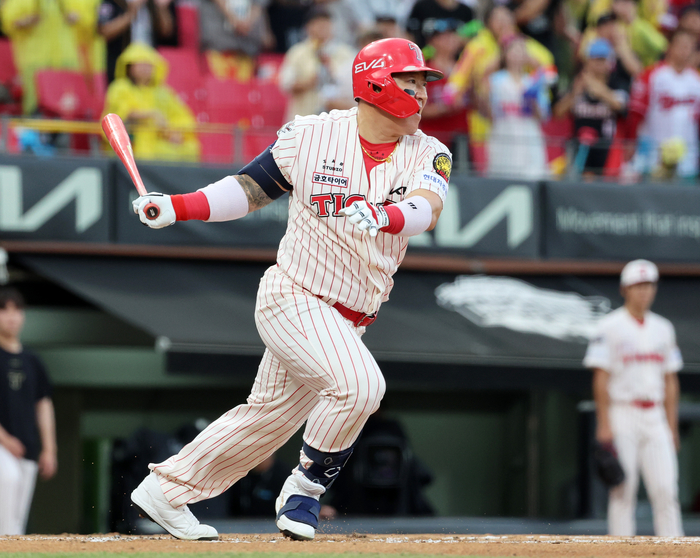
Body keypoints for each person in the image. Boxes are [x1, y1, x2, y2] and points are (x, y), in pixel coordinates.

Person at [128, 37, 451, 542]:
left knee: (266, 420)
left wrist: (385, 215)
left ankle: (166, 491)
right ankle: (304, 490)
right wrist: (177, 206)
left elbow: (426, 209)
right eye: (411, 82)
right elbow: (249, 189)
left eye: (423, 83)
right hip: (293, 296)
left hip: (351, 318)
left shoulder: (430, 151)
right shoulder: (312, 134)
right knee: (361, 386)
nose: (423, 93)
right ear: (376, 84)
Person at [583, 260, 683, 536]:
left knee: (666, 489)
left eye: (648, 285)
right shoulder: (609, 326)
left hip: (655, 414)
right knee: (622, 490)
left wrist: (672, 426)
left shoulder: (663, 328)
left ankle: (674, 550)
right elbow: (600, 379)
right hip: (622, 411)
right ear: (624, 289)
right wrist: (604, 424)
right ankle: (621, 550)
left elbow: (670, 380)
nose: (644, 291)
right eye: (638, 285)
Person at [0, 287, 58, 535]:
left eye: (16, 310)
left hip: (27, 447)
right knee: (8, 481)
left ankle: (11, 549)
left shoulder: (33, 361)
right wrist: (5, 440)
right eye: (4, 310)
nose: (11, 316)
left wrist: (49, 449)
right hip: (3, 445)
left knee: (17, 519)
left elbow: (43, 404)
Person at [103, 42, 200, 162]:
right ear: (130, 67)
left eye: (148, 65)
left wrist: (176, 133)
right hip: (133, 142)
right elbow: (118, 114)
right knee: (162, 153)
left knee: (190, 148)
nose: (145, 68)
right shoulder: (120, 87)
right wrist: (150, 115)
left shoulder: (163, 92)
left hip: (160, 140)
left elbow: (182, 117)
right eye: (140, 64)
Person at [627, 28, 700, 178]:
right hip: (653, 156)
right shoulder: (651, 75)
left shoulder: (696, 80)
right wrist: (631, 143)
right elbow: (636, 115)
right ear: (670, 47)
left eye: (689, 47)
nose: (685, 51)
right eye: (681, 45)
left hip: (688, 159)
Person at [554, 38, 628, 175]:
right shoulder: (576, 83)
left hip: (605, 148)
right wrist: (575, 94)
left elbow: (620, 106)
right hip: (578, 148)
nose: (598, 64)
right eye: (595, 59)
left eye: (602, 60)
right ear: (587, 61)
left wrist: (598, 88)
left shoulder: (616, 84)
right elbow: (558, 113)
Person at [481, 36, 550, 179]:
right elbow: (489, 114)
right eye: (514, 49)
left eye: (522, 50)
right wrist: (485, 96)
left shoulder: (533, 81)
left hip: (529, 135)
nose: (518, 54)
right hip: (503, 134)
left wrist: (532, 100)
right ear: (505, 54)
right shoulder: (495, 80)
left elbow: (543, 116)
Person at [0, 0, 81, 114]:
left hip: (65, 58)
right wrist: (25, 21)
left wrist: (74, 17)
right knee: (36, 101)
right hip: (35, 59)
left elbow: (82, 17)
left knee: (66, 102)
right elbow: (8, 24)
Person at [277, 6, 356, 121]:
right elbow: (285, 83)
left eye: (326, 24)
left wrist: (331, 71)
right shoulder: (297, 52)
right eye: (318, 24)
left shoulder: (345, 53)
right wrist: (308, 82)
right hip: (303, 119)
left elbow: (353, 85)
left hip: (338, 120)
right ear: (308, 27)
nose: (322, 28)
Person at [98, 0, 177, 84]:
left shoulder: (150, 3)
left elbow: (166, 31)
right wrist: (131, 13)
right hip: (121, 64)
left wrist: (161, 8)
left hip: (149, 62)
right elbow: (104, 32)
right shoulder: (114, 2)